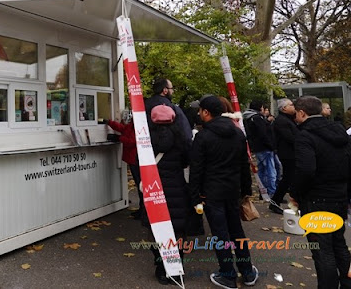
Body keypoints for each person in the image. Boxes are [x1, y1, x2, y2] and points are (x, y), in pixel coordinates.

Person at [189, 95, 258, 288]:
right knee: (237, 231)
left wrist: (194, 197)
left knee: (220, 234)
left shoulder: (203, 136)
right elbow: (244, 165)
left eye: (200, 110)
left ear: (206, 112)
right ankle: (247, 271)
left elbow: (196, 169)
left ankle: (227, 275)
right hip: (233, 190)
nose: (198, 113)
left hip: (211, 193)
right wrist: (245, 190)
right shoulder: (238, 134)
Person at [290, 95, 351, 288]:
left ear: (302, 113)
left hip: (316, 198)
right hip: (339, 196)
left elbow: (306, 169)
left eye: (296, 115)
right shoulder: (340, 132)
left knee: (322, 249)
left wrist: (295, 192)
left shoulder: (305, 136)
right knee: (338, 242)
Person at [142, 104, 190, 285]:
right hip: (177, 187)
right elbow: (186, 161)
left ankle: (161, 265)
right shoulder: (182, 139)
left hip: (154, 189)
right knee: (177, 229)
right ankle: (176, 270)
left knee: (155, 228)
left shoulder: (146, 140)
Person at [104, 112, 141, 217]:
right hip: (133, 159)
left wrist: (118, 138)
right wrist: (109, 122)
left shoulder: (137, 126)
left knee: (140, 185)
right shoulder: (133, 125)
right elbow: (123, 129)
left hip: (135, 159)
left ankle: (143, 210)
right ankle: (142, 209)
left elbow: (132, 141)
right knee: (139, 185)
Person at [269, 98, 299, 214]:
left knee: (289, 178)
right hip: (288, 154)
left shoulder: (287, 120)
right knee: (288, 178)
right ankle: (275, 201)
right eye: (291, 105)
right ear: (284, 108)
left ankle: (277, 199)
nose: (294, 107)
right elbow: (290, 137)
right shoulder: (282, 121)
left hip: (289, 153)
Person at [145, 78, 193, 148]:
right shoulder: (172, 108)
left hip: (146, 150)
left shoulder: (144, 106)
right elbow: (185, 134)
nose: (173, 91)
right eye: (172, 88)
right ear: (165, 90)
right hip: (170, 153)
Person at [243, 100, 277, 197]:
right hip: (265, 147)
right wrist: (271, 145)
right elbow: (263, 134)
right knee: (270, 171)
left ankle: (263, 191)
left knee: (261, 170)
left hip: (257, 147)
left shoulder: (248, 118)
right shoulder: (258, 118)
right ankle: (272, 192)